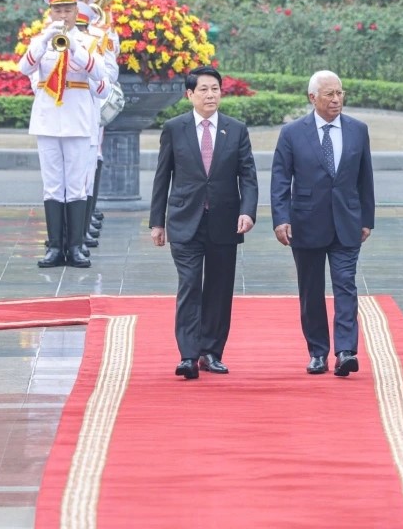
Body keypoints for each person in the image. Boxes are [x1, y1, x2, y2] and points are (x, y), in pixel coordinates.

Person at [149, 66, 258, 379]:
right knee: (190, 285)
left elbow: (248, 176)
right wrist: (158, 222)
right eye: (204, 90)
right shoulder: (174, 128)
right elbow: (162, 176)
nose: (211, 95)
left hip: (225, 221)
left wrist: (247, 211)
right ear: (190, 95)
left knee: (219, 289)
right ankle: (187, 354)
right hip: (185, 220)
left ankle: (211, 352)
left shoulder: (236, 129)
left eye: (215, 89)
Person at [271, 70, 375, 376]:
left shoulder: (358, 130)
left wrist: (366, 218)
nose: (336, 99)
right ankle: (318, 351)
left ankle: (346, 351)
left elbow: (364, 178)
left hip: (347, 223)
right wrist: (281, 218)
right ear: (312, 98)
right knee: (311, 290)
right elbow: (280, 179)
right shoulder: (292, 133)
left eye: (340, 93)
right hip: (305, 223)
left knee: (346, 286)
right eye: (329, 94)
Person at [18, 0, 110, 269]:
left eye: (68, 10)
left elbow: (102, 78)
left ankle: (77, 246)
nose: (62, 15)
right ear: (50, 11)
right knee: (53, 186)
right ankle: (55, 246)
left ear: (76, 11)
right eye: (57, 9)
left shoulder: (88, 42)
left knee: (77, 186)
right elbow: (24, 68)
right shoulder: (41, 40)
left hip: (78, 119)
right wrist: (46, 39)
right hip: (47, 120)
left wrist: (74, 49)